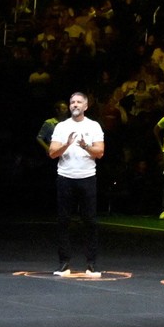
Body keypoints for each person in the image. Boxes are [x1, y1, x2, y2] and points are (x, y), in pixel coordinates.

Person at [49, 91, 106, 275]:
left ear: (85, 106)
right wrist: (67, 144)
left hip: (87, 177)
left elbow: (100, 152)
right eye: (72, 102)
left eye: (79, 102)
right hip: (65, 177)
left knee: (89, 221)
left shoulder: (94, 126)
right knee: (63, 221)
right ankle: (64, 263)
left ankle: (92, 263)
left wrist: (85, 146)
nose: (75, 105)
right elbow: (52, 153)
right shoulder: (61, 126)